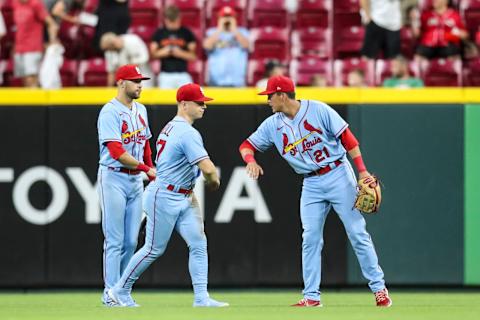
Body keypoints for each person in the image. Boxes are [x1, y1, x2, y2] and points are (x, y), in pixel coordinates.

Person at [238, 75, 392, 308]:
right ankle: (311, 296)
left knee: (357, 232)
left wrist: (362, 171)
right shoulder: (273, 124)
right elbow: (246, 145)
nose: (268, 101)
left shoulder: (317, 109)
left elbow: (348, 138)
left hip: (338, 173)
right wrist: (250, 160)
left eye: (270, 96)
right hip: (311, 183)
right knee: (310, 238)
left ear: (282, 95)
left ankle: (379, 290)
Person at [107, 83, 229, 308]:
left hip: (183, 195)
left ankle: (201, 298)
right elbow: (209, 169)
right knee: (154, 249)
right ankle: (119, 290)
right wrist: (214, 182)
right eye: (199, 102)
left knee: (198, 243)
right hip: (164, 194)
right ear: (184, 104)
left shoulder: (172, 126)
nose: (204, 106)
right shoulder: (187, 133)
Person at [97, 64, 156, 306]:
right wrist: (146, 169)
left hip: (135, 180)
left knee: (131, 241)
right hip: (113, 176)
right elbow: (116, 151)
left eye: (141, 80)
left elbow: (145, 144)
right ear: (121, 82)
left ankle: (122, 290)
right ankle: (110, 292)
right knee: (114, 239)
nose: (140, 84)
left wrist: (150, 172)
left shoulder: (140, 109)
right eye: (134, 80)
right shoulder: (109, 112)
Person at [13, 0, 58, 87]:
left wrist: (52, 41)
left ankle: (36, 100)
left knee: (31, 80)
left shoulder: (36, 4)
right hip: (19, 49)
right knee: (24, 81)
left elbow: (52, 24)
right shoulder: (15, 3)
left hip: (33, 49)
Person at [150, 5, 197, 89]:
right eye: (170, 21)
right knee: (164, 100)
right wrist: (164, 52)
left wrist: (180, 53)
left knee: (191, 97)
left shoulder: (186, 32)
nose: (172, 24)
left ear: (179, 18)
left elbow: (193, 56)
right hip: (165, 74)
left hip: (183, 74)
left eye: (174, 21)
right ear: (165, 19)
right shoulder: (159, 33)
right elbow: (152, 55)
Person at [203, 6, 250, 87]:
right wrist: (220, 28)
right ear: (219, 18)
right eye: (224, 17)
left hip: (237, 81)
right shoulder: (212, 32)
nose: (227, 19)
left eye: (229, 17)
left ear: (234, 18)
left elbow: (246, 45)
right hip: (216, 81)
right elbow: (207, 46)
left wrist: (234, 29)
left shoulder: (242, 32)